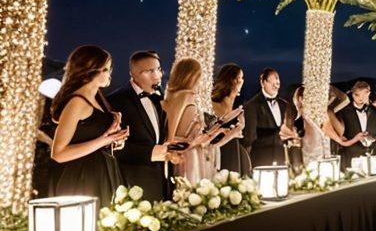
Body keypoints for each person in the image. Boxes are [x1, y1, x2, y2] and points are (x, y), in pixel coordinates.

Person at [49, 45, 128, 204]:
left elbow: (93, 136)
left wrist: (114, 140)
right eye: (105, 69)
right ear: (90, 71)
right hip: (82, 177)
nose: (110, 73)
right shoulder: (77, 102)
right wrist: (104, 140)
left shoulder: (98, 98)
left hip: (104, 170)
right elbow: (58, 153)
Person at [108, 50, 173, 199]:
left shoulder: (161, 98)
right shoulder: (116, 101)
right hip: (132, 183)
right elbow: (113, 147)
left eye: (158, 69)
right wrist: (150, 153)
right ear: (134, 74)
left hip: (162, 182)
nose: (157, 76)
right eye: (150, 71)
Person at [164, 58, 237, 184]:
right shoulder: (184, 96)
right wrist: (191, 143)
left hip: (196, 153)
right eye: (199, 75)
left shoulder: (183, 96)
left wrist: (218, 131)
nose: (200, 80)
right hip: (188, 157)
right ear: (191, 76)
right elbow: (170, 137)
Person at [242, 68, 297, 167]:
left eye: (277, 83)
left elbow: (289, 130)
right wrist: (278, 134)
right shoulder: (251, 105)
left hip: (282, 160)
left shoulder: (284, 105)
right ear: (263, 83)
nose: (276, 86)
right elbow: (249, 138)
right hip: (261, 160)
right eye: (272, 83)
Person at [211, 63, 251, 177]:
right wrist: (234, 130)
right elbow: (211, 131)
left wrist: (239, 131)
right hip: (220, 152)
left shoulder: (238, 104)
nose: (242, 81)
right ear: (234, 81)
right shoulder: (214, 103)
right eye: (240, 78)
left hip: (236, 149)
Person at [338, 81, 376, 168]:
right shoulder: (343, 111)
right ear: (352, 94)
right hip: (351, 157)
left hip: (371, 157)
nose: (360, 98)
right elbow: (340, 135)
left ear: (368, 93)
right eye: (357, 95)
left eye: (363, 95)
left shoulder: (375, 112)